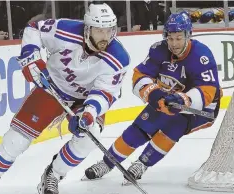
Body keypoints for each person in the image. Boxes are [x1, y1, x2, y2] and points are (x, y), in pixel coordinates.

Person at [0, 2, 130, 194]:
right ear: (87, 28)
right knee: (17, 139)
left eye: (109, 31)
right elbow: (34, 30)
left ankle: (54, 174)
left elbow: (104, 93)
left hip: (86, 99)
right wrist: (30, 56)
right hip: (52, 87)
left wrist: (87, 114)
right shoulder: (66, 30)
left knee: (91, 134)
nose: (105, 37)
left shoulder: (119, 58)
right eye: (99, 31)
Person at [84, 12, 222, 182]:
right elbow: (139, 75)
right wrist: (154, 93)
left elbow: (209, 90)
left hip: (202, 109)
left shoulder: (201, 55)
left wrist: (182, 100)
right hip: (168, 99)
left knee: (173, 125)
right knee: (141, 126)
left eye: (178, 38)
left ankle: (142, 164)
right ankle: (107, 163)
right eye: (170, 38)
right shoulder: (159, 50)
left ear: (188, 35)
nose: (174, 44)